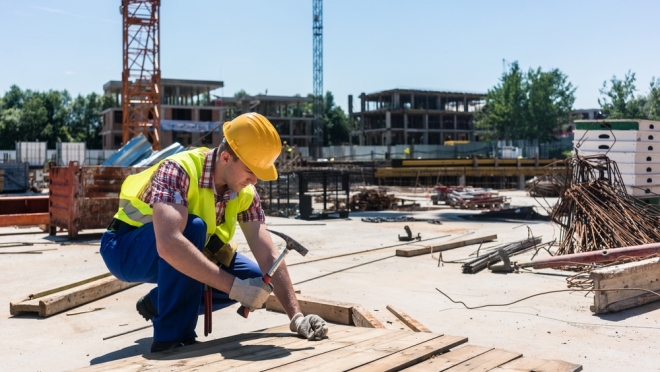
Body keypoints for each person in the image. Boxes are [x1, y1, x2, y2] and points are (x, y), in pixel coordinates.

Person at [100, 113, 328, 353]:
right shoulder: (179, 170)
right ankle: (171, 339)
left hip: (181, 248)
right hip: (126, 248)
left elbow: (268, 255)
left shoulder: (245, 193)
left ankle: (160, 301)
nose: (255, 180)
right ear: (227, 157)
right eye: (251, 170)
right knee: (194, 229)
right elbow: (169, 243)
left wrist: (297, 317)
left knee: (254, 279)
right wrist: (234, 287)